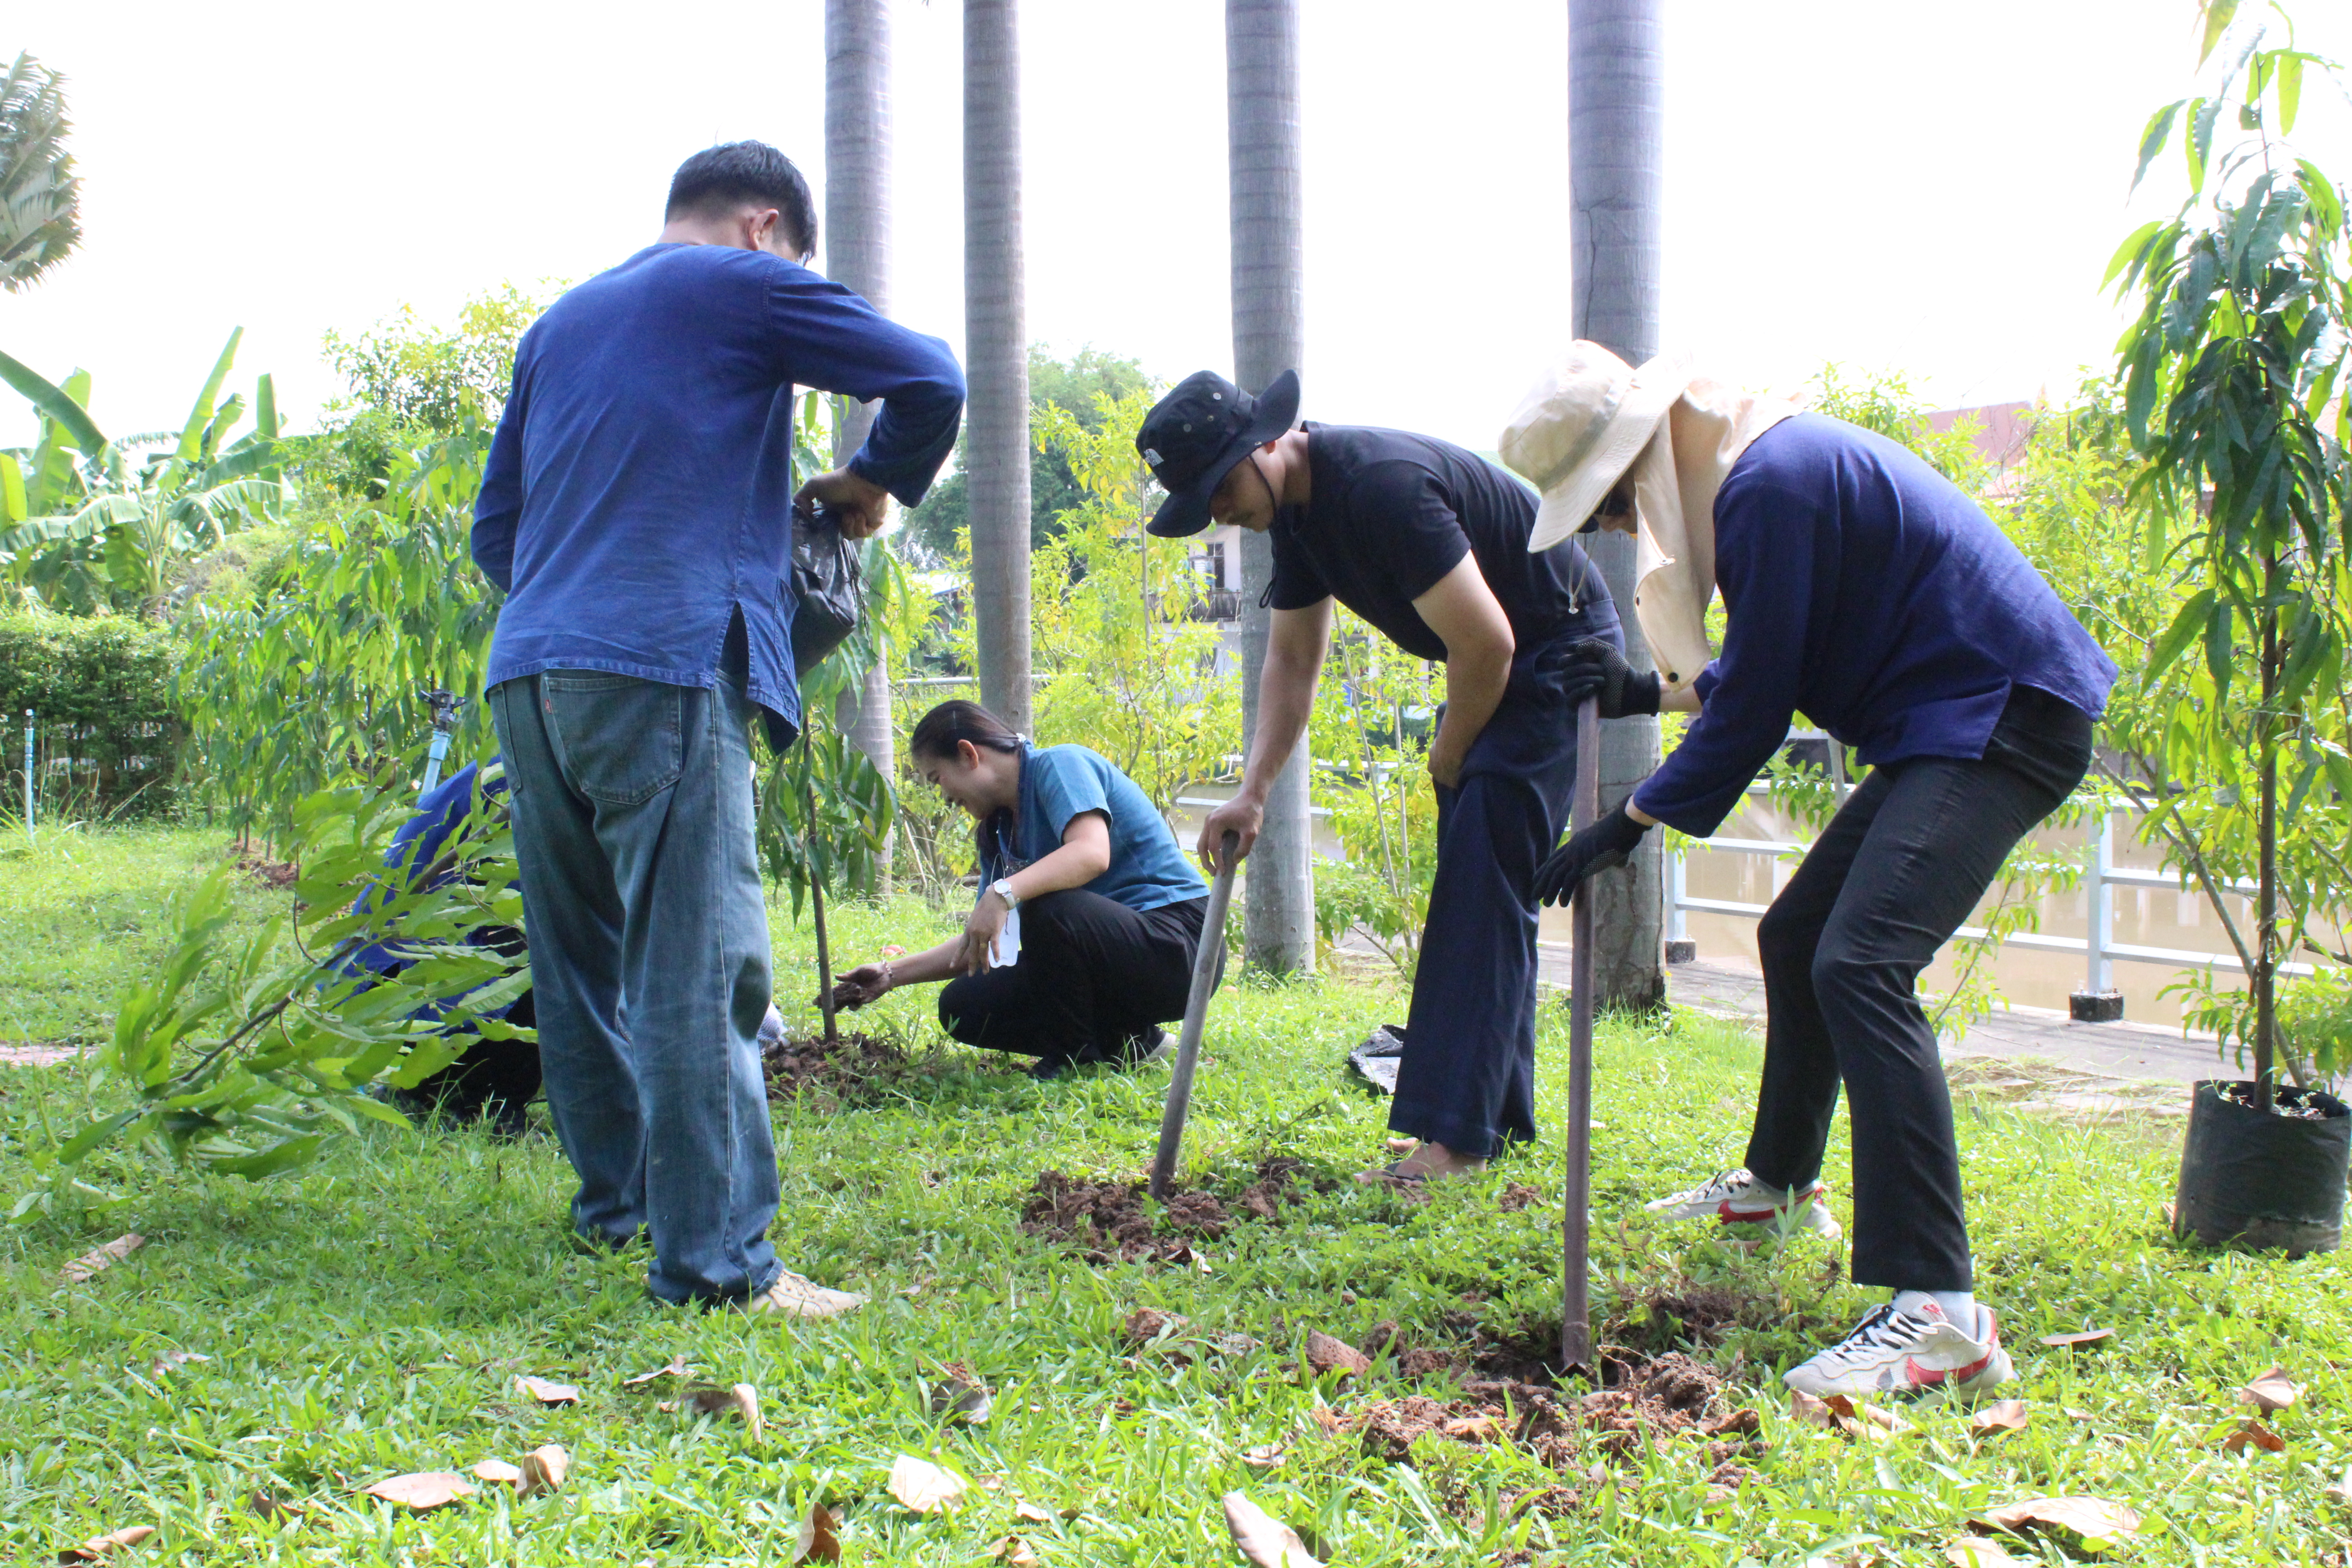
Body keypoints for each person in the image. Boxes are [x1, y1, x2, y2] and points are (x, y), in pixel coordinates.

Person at [1509, 343, 2117, 1399]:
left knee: (1862, 962)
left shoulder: (1769, 485)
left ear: (1637, 460)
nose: (1615, 528)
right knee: (1798, 937)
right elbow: (1755, 670)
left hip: (1999, 716)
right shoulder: (1758, 474)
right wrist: (1632, 690)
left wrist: (1629, 817)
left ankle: (1940, 1314)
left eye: (1605, 506)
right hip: (1951, 722)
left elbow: (1753, 706)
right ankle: (1778, 1188)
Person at [471, 142, 965, 1315]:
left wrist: (571, 595)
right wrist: (868, 480)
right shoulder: (747, 284)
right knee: (701, 964)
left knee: (579, 959)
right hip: (662, 663)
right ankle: (720, 1265)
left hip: (531, 674)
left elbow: (498, 534)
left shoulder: (560, 326)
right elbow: (931, 379)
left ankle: (619, 1209)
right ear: (764, 229)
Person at [1138, 368, 1622, 1182]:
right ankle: (1484, 1121)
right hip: (1495, 661)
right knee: (1481, 880)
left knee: (1482, 879)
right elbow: (1291, 659)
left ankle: (1457, 1144)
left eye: (1216, 489)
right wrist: (1252, 790)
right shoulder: (1295, 516)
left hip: (1553, 649)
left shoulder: (1379, 488)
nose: (1216, 514)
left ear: (1262, 445)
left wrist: (1450, 749)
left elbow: (1491, 645)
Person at [829, 701, 1216, 1078]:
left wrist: (1003, 893)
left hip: (1182, 945)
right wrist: (890, 974)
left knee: (1045, 905)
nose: (943, 797)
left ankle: (1072, 1060)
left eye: (937, 778)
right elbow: (983, 939)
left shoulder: (1061, 765)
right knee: (963, 1004)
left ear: (968, 754)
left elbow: (1091, 853)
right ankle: (1131, 1043)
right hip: (1112, 958)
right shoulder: (998, 832)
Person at [343, 758, 541, 1137]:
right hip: (421, 982)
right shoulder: (540, 777)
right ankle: (474, 1099)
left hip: (394, 985)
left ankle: (445, 1086)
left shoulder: (530, 743)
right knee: (562, 952)